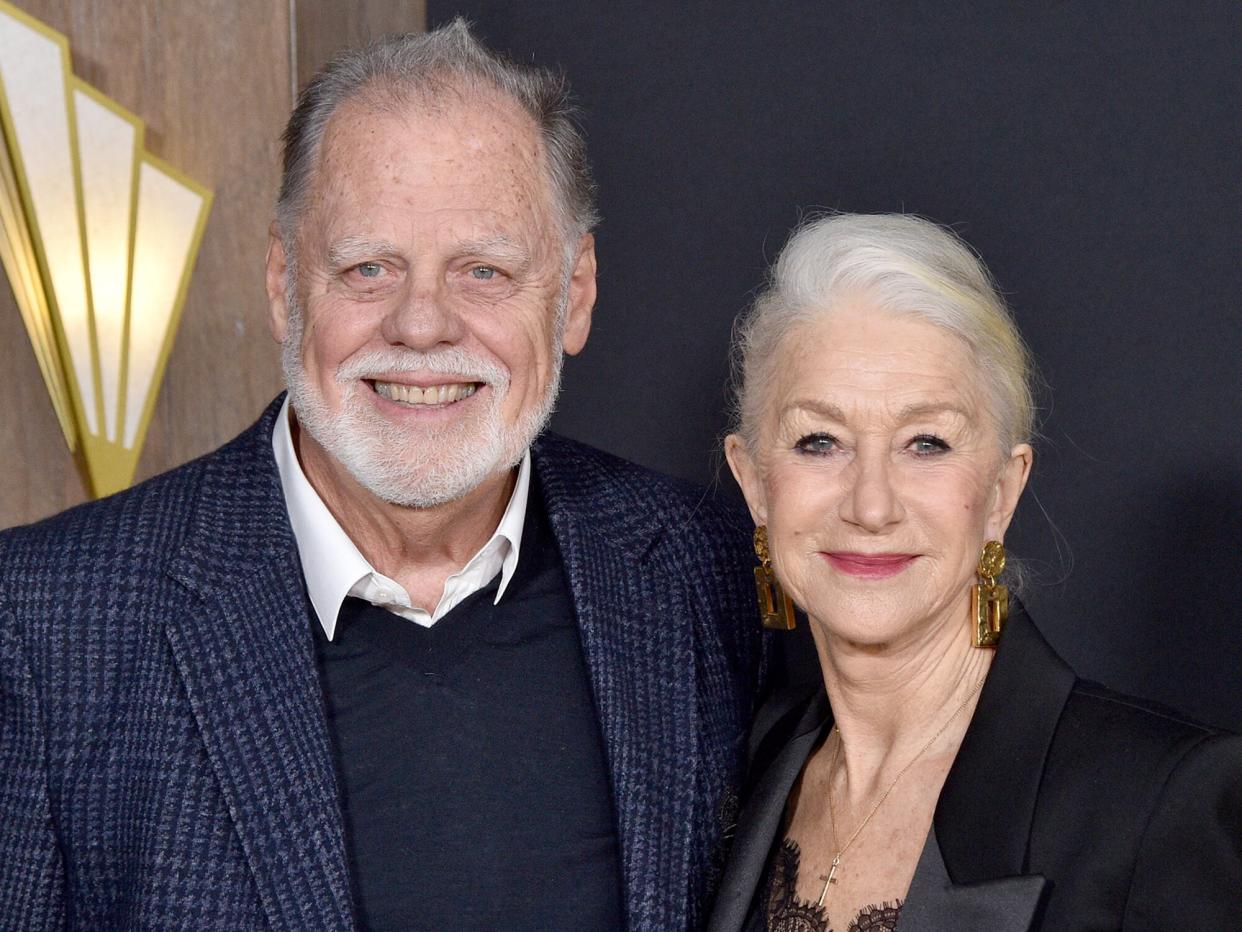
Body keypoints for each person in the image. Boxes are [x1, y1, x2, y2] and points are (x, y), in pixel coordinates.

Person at [0, 23, 764, 931]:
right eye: (368, 268)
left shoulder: (706, 573)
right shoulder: (49, 622)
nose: (422, 326)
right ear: (286, 284)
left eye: (483, 270)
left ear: (576, 293)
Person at [707, 213, 1242, 931]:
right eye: (820, 441)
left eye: (926, 443)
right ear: (754, 485)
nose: (871, 505)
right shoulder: (744, 761)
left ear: (1000, 492)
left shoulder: (1160, 800)